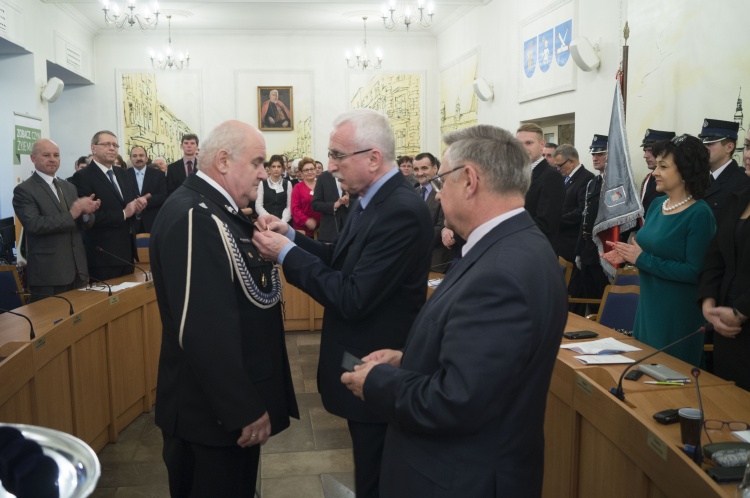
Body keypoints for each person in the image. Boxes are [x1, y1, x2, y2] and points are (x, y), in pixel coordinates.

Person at [340, 124, 568, 497]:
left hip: (458, 478)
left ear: (470, 181)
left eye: (442, 181)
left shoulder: (501, 272)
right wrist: (408, 359)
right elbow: (483, 366)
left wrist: (376, 383)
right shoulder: (511, 245)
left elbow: (458, 401)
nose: (438, 193)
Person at [252, 109, 433, 498]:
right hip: (362, 360)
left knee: (377, 478)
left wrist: (285, 254)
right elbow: (342, 258)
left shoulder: (399, 209)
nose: (330, 166)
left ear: (373, 158)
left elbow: (352, 296)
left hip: (378, 364)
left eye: (337, 156)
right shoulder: (370, 199)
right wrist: (293, 238)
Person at [150, 120, 298, 497]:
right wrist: (242, 408)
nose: (263, 173)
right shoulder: (195, 216)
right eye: (257, 162)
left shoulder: (217, 211)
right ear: (224, 161)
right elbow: (203, 330)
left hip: (217, 414)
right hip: (210, 418)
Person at [604, 134, 716, 366]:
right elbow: (652, 249)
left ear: (685, 171)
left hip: (676, 313)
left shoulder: (699, 214)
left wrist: (641, 259)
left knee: (668, 375)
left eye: (663, 167)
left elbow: (694, 271)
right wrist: (627, 255)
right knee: (642, 370)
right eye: (657, 166)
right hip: (648, 306)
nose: (655, 172)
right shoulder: (657, 205)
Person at [12, 139, 100, 299]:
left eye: (56, 155)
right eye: (46, 155)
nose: (53, 159)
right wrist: (72, 214)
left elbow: (82, 224)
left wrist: (86, 213)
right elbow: (34, 224)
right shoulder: (24, 190)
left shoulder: (69, 186)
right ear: (33, 158)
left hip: (78, 271)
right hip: (49, 274)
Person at [71, 130, 148, 281]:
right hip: (103, 255)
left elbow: (130, 207)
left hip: (127, 253)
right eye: (107, 144)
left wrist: (138, 209)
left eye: (115, 145)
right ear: (93, 148)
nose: (112, 148)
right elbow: (88, 218)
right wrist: (124, 213)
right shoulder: (82, 176)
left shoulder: (123, 174)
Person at [699, 183, 750, 391]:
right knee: (728, 400)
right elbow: (716, 255)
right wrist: (708, 303)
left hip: (739, 314)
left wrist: (741, 310)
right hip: (726, 324)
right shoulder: (737, 198)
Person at [570, 135, 610, 315]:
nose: (595, 157)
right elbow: (585, 218)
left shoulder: (616, 184)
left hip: (604, 251)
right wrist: (579, 251)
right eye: (593, 154)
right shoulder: (593, 183)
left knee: (604, 302)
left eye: (600, 154)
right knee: (591, 300)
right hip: (588, 250)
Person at [517, 123, 565, 252]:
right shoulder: (518, 174)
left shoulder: (551, 176)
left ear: (542, 144)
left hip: (536, 251)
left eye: (529, 143)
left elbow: (545, 224)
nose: (523, 148)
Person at [700, 118, 750, 219]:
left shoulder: (742, 182)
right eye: (703, 143)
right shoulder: (698, 176)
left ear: (729, 147)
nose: (704, 148)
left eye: (710, 144)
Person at [553, 144, 595, 263]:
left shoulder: (586, 178)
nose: (558, 169)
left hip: (572, 239)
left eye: (560, 165)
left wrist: (556, 220)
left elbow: (582, 210)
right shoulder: (564, 178)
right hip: (560, 239)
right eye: (556, 166)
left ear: (571, 161)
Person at [413, 151, 451, 271]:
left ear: (435, 168)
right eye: (416, 169)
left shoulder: (445, 190)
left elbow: (442, 225)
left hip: (437, 261)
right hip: (414, 260)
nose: (419, 173)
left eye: (424, 168)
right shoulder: (413, 193)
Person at [126, 146, 168, 233]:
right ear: (130, 159)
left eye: (141, 155)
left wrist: (144, 201)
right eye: (135, 156)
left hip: (153, 220)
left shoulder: (158, 174)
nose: (138, 158)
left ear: (146, 158)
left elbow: (163, 195)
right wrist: (136, 204)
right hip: (131, 222)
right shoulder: (124, 175)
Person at [639, 129, 675, 219]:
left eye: (650, 151)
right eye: (645, 151)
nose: (645, 156)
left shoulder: (673, 181)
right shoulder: (648, 179)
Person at [311, 167, 350, 243]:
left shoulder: (353, 173)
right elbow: (315, 204)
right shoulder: (323, 177)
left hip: (350, 229)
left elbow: (361, 200)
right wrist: (334, 205)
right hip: (329, 231)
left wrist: (348, 202)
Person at [255, 154, 292, 223]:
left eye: (279, 166)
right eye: (273, 166)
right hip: (266, 221)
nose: (276, 169)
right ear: (269, 168)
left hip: (283, 221)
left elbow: (289, 206)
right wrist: (269, 219)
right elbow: (258, 205)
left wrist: (283, 221)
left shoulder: (288, 184)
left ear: (282, 169)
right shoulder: (262, 184)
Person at [290, 157, 321, 237]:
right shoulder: (297, 187)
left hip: (321, 229)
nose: (310, 172)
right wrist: (306, 220)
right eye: (306, 170)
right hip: (303, 230)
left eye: (312, 169)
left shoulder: (321, 185)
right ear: (301, 172)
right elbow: (295, 209)